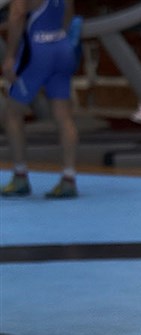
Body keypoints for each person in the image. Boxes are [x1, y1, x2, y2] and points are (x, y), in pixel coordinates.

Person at [2, 0, 79, 199]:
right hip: (62, 47)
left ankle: (20, 176)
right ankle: (69, 178)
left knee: (12, 113)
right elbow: (68, 13)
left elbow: (17, 14)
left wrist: (10, 55)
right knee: (64, 116)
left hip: (37, 52)